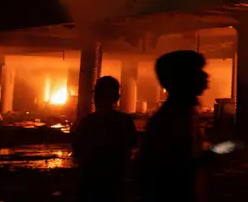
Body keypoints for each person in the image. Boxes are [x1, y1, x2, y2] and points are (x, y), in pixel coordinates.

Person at [137, 50, 210, 202]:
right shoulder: (172, 119)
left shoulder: (185, 113)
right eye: (198, 71)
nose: (205, 76)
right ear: (183, 79)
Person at [72, 76, 137, 202]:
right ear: (117, 98)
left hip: (91, 182)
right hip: (116, 180)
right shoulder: (125, 121)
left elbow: (78, 149)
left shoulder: (87, 122)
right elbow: (131, 147)